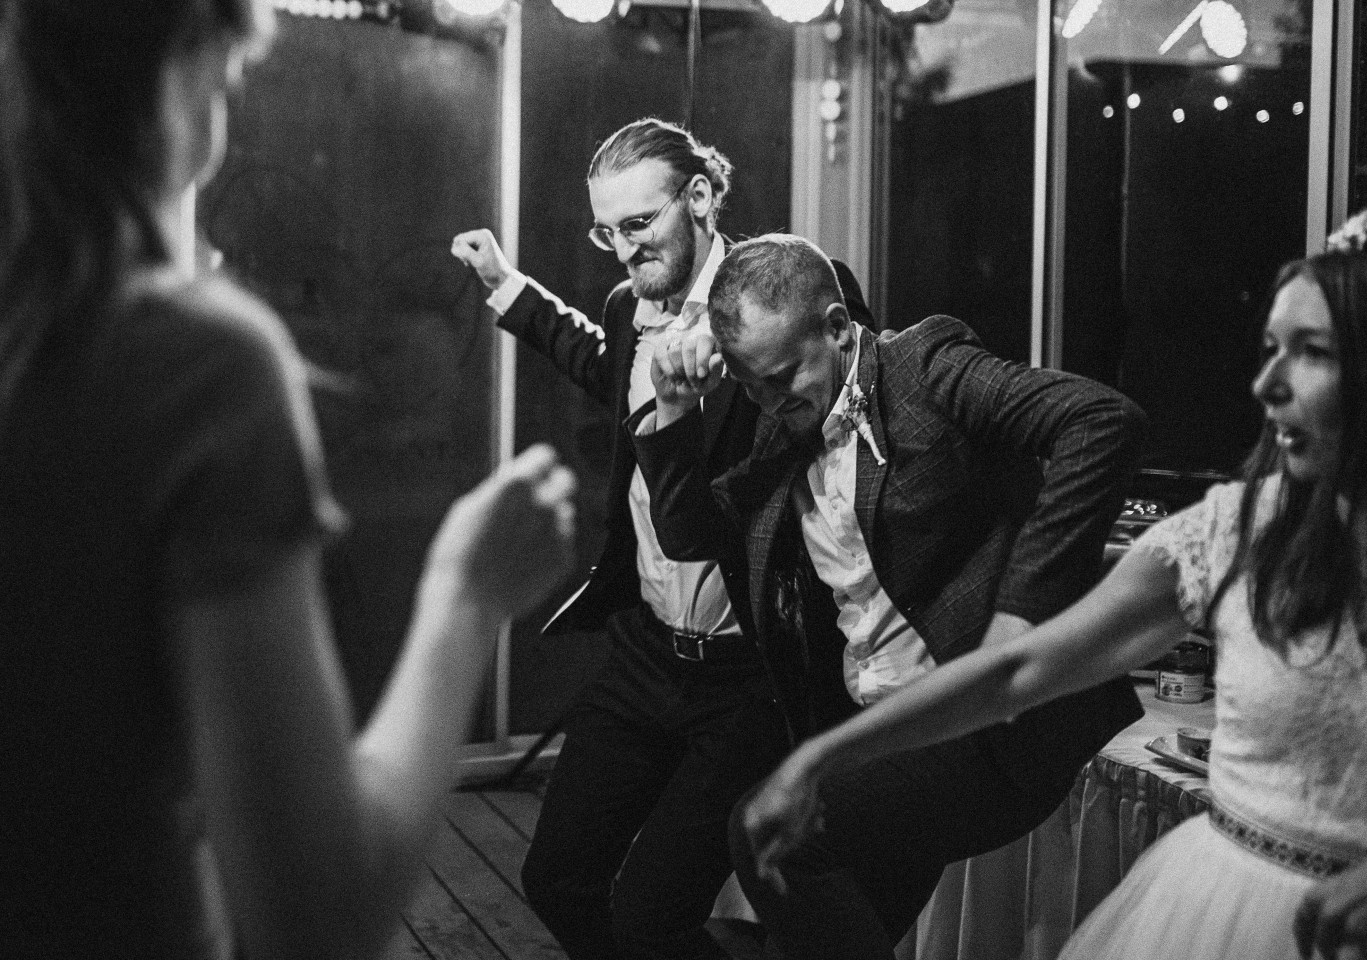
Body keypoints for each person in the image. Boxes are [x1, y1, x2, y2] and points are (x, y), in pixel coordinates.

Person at [0, 4, 576, 960]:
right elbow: (315, 919)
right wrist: (467, 598)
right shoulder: (187, 367)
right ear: (175, 68)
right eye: (226, 82)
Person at [740, 210, 1367, 960]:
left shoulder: (923, 366)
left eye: (1313, 353)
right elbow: (1017, 669)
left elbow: (1102, 421)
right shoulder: (1233, 531)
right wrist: (818, 759)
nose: (1266, 384)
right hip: (1218, 902)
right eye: (1270, 350)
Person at [630, 233, 1146, 958]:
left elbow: (1101, 421)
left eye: (783, 377)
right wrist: (675, 410)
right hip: (880, 732)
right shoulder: (783, 431)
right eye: (752, 387)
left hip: (983, 725)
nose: (771, 403)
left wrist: (1021, 615)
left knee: (769, 831)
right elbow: (691, 533)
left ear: (839, 329)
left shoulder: (923, 368)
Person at [450, 119, 873, 960]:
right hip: (644, 652)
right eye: (606, 231)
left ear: (701, 197)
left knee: (652, 915)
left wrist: (719, 381)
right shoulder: (626, 306)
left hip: (749, 675)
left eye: (640, 223)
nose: (622, 248)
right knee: (556, 880)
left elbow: (843, 397)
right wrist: (506, 285)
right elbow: (597, 360)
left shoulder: (783, 294)